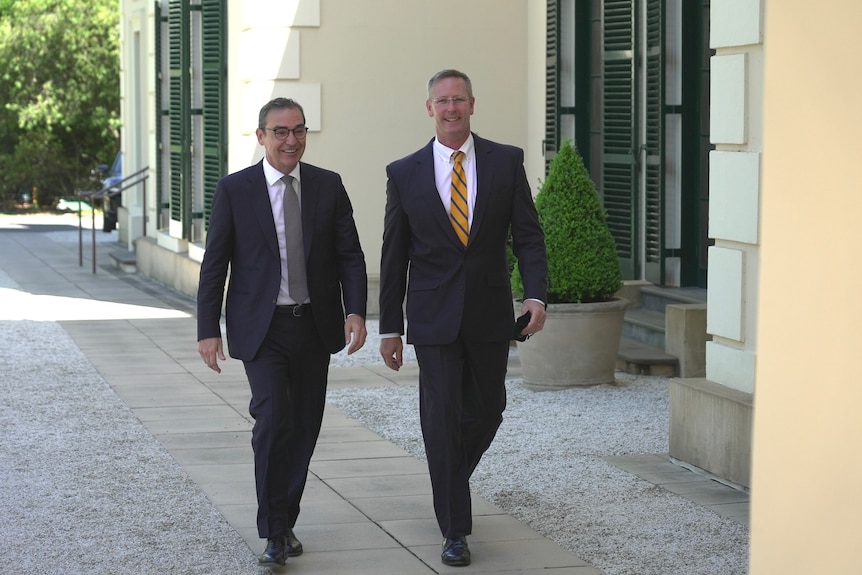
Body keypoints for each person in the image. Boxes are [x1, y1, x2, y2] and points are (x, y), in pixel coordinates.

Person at [378, 69, 548, 567]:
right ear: (428, 108)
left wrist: (535, 296)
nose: (451, 108)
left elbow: (529, 237)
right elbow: (394, 255)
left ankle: (447, 480)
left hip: (490, 313)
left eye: (459, 100)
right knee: (441, 418)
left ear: (473, 104)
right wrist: (391, 325)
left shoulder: (506, 161)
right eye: (442, 101)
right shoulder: (404, 172)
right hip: (432, 318)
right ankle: (455, 529)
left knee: (489, 408)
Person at [197, 97, 368, 569]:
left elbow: (349, 255)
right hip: (262, 329)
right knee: (273, 422)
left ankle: (284, 518)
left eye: (298, 131)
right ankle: (273, 532)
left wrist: (356, 311)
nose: (291, 140)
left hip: (314, 326)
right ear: (261, 136)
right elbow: (215, 264)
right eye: (280, 132)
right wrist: (207, 328)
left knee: (305, 427)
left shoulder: (328, 186)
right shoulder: (236, 190)